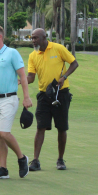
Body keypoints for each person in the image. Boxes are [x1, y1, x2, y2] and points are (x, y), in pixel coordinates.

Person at [0, 25, 33, 179]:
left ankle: (22, 158)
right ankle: (3, 169)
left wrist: (26, 96)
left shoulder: (12, 53)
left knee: (4, 133)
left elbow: (22, 76)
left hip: (9, 98)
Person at [26, 28, 79, 171]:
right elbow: (31, 77)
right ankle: (35, 161)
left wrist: (64, 77)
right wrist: (22, 80)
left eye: (36, 38)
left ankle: (60, 160)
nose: (33, 40)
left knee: (61, 127)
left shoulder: (58, 48)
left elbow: (74, 63)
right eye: (32, 38)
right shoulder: (33, 55)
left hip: (61, 93)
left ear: (44, 37)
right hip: (44, 95)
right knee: (40, 127)